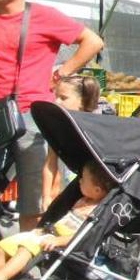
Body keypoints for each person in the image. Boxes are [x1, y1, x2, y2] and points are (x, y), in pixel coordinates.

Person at [0, 0, 105, 234]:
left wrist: (62, 71)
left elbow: (92, 41)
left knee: (33, 198)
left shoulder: (44, 16)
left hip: (34, 117)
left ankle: (18, 266)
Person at [0, 160, 113, 280]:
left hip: (65, 244)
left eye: (83, 179)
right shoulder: (82, 200)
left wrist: (58, 240)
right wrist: (42, 231)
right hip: (48, 235)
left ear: (97, 190)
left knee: (26, 247)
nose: (79, 181)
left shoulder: (97, 211)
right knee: (4, 245)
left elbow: (85, 235)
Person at [42, 75, 101, 208]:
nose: (56, 101)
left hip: (93, 191)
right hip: (67, 190)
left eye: (63, 98)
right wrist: (46, 196)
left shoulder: (94, 127)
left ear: (82, 101)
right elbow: (50, 164)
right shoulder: (57, 128)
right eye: (56, 96)